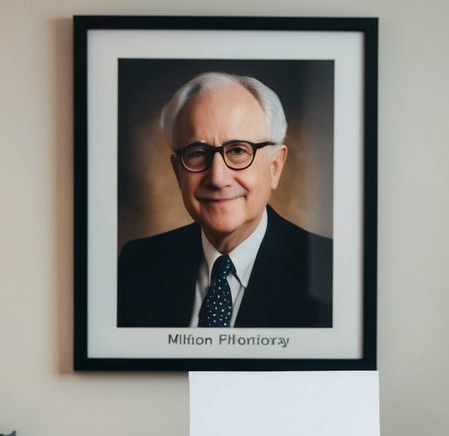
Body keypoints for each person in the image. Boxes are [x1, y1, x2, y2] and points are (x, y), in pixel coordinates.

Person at [117, 72, 332, 328]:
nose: (218, 178)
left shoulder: (330, 271)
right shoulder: (139, 265)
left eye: (238, 150)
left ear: (275, 166)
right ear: (177, 171)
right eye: (197, 153)